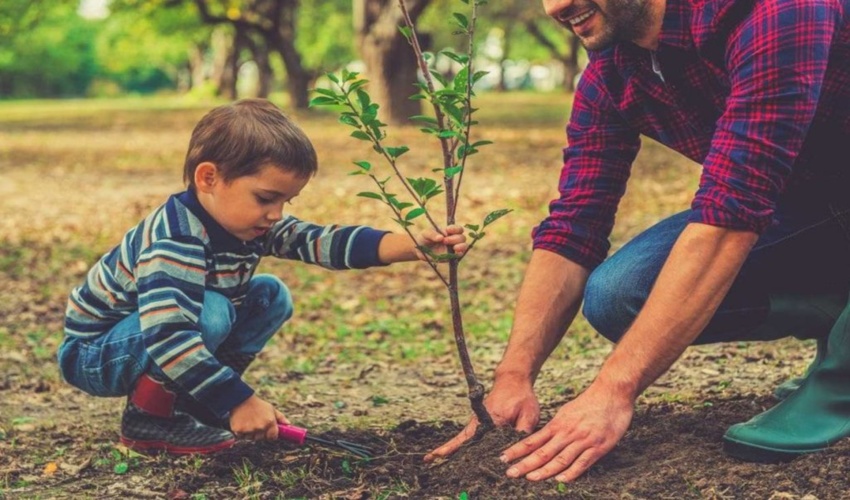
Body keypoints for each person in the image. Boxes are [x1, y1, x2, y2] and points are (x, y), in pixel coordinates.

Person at [425, 0, 850, 483]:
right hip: (817, 206)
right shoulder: (616, 70)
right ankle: (838, 315)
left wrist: (612, 391)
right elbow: (574, 224)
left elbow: (732, 215)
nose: (556, 6)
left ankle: (842, 379)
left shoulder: (779, 9)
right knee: (620, 294)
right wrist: (513, 377)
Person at [58, 98, 467, 455]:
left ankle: (196, 406)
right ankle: (150, 419)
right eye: (266, 198)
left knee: (269, 294)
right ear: (209, 178)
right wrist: (240, 401)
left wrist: (412, 246)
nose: (276, 214)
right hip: (96, 353)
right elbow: (169, 336)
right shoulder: (176, 240)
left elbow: (321, 241)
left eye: (286, 201)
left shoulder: (247, 222)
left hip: (152, 338)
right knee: (212, 311)